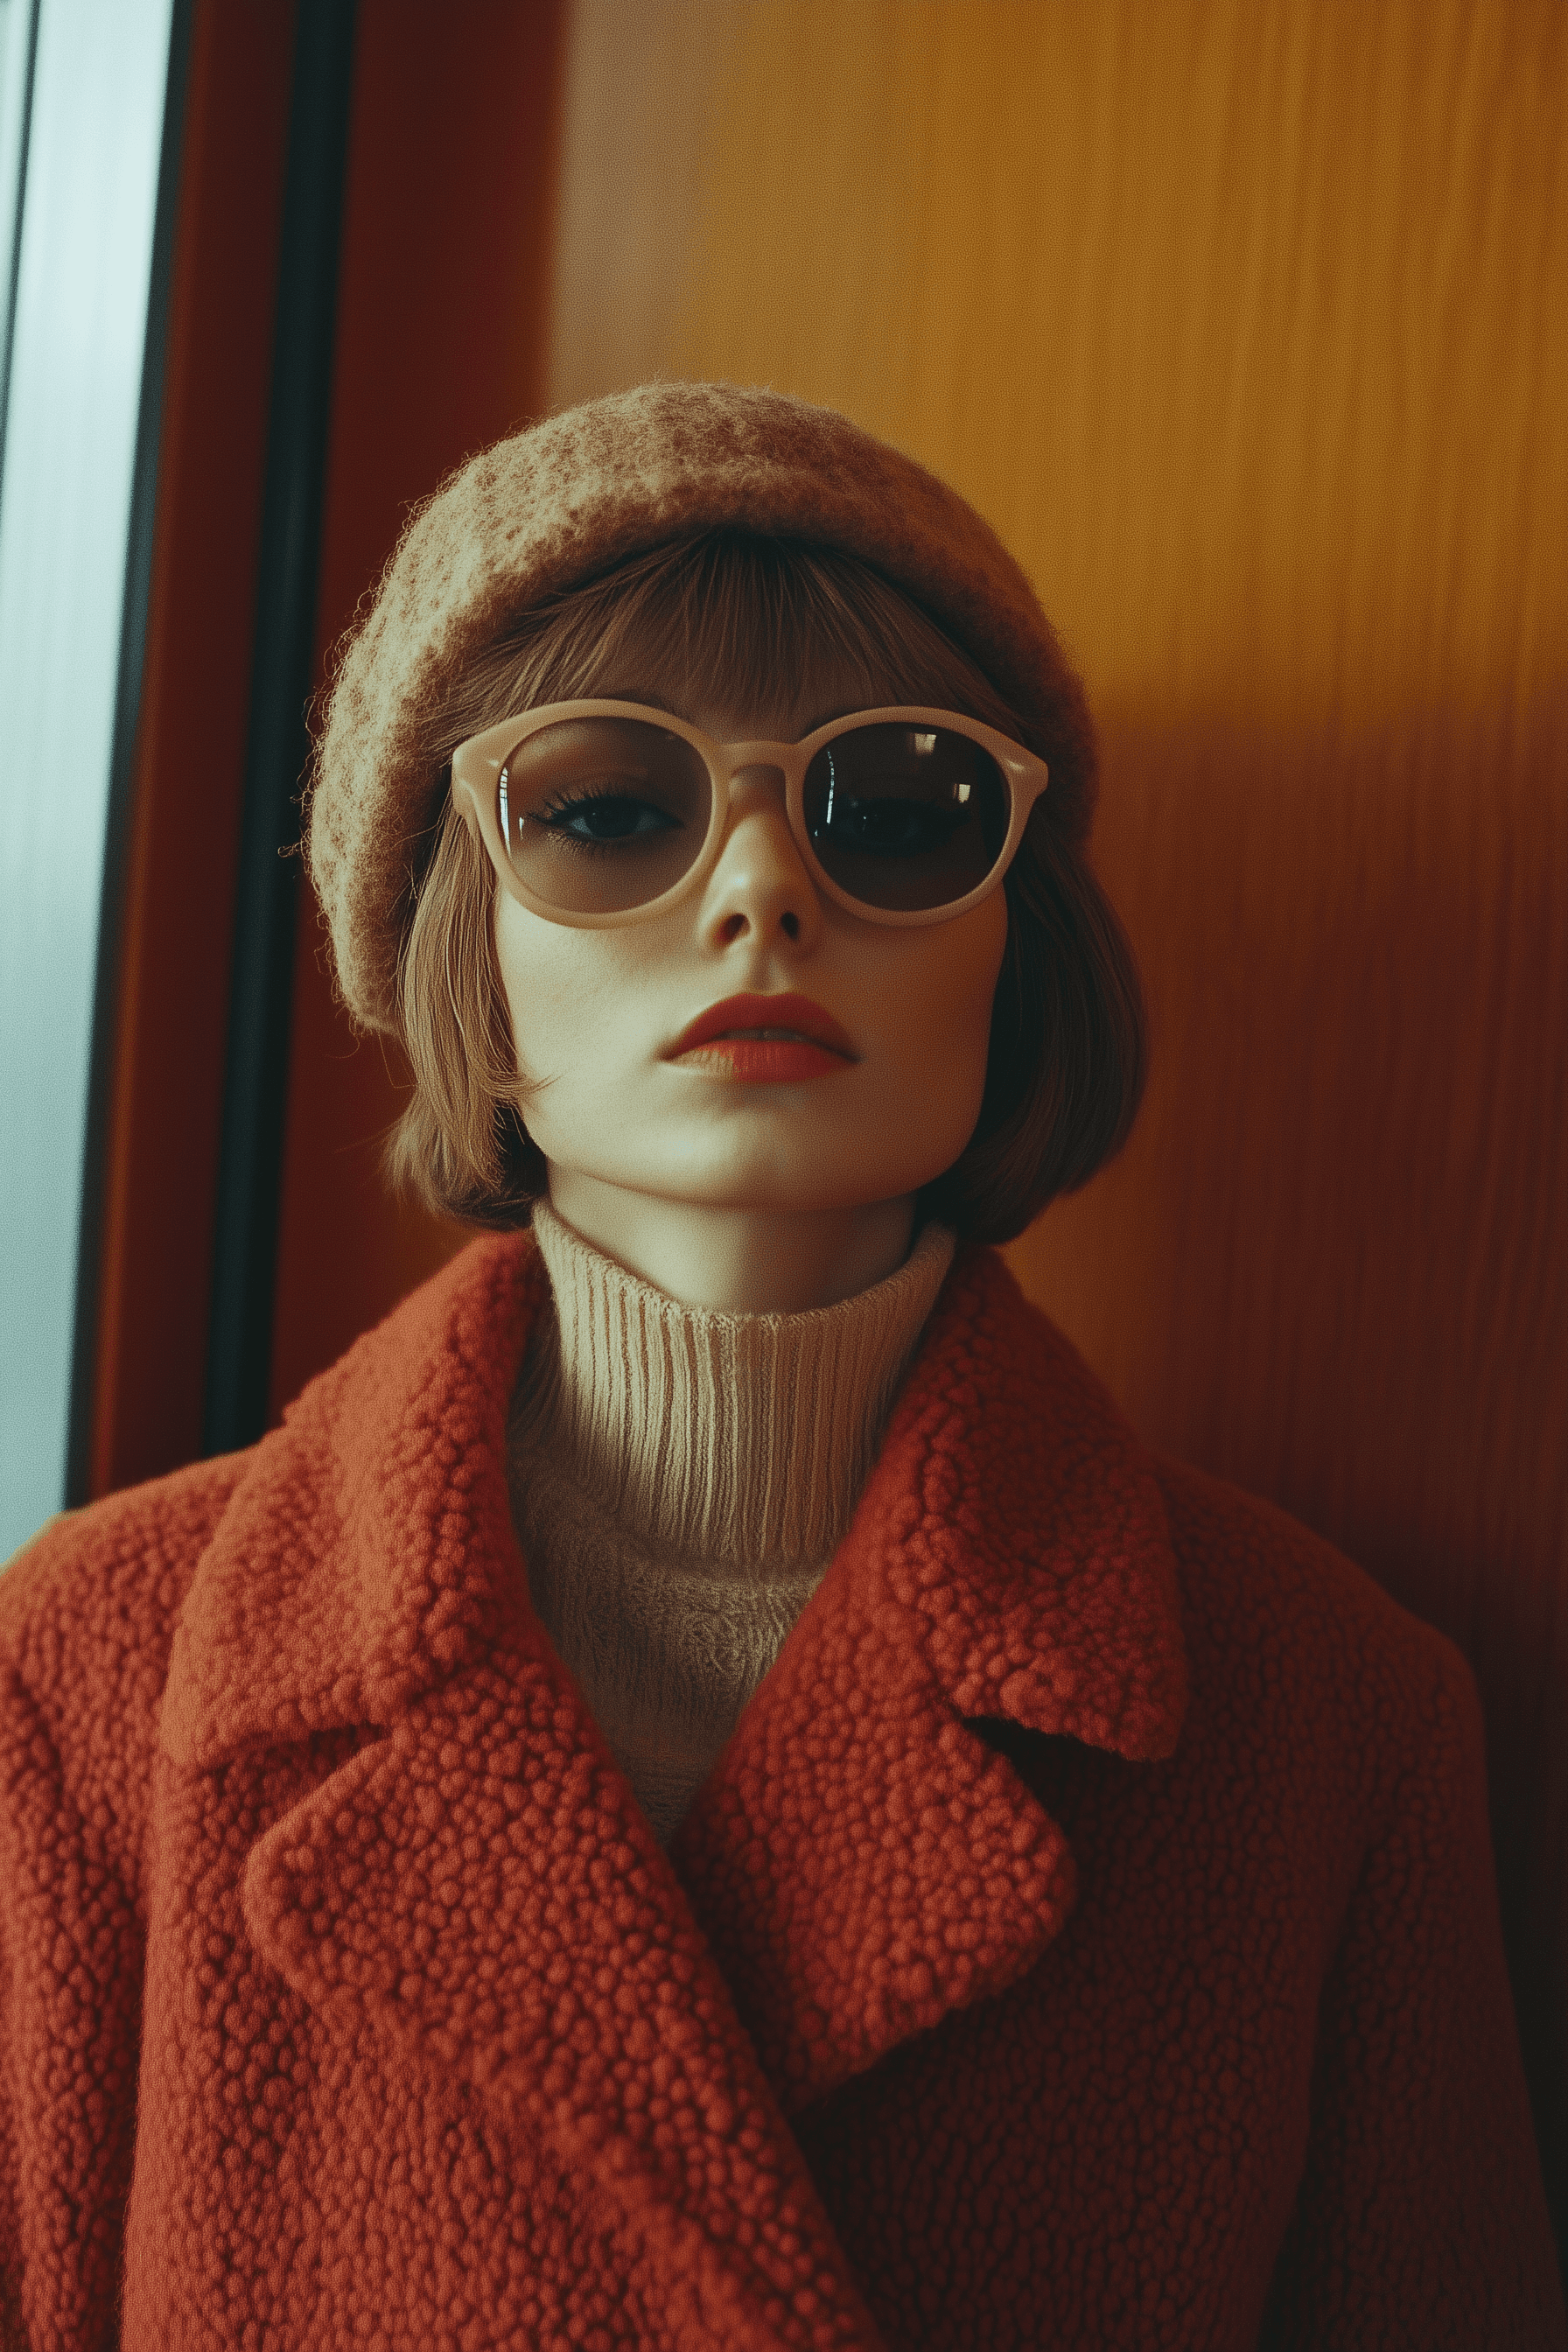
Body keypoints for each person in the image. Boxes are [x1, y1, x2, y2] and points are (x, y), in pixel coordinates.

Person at [0, 382, 1559, 2351]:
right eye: (607, 806)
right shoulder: (89, 1676)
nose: (757, 892)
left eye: (893, 808)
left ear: (1019, 935)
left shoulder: (1329, 1720)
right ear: (445, 929)